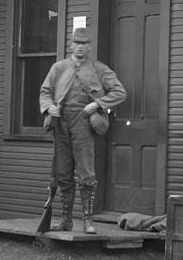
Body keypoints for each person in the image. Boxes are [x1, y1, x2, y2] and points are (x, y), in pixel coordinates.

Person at [39, 28, 126, 234]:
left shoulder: (99, 69)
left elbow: (120, 92)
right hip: (61, 122)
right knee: (63, 172)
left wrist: (97, 105)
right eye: (77, 43)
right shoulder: (58, 68)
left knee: (86, 172)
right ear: (71, 45)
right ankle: (66, 220)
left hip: (84, 122)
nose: (80, 47)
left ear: (89, 47)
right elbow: (45, 91)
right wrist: (48, 106)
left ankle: (87, 221)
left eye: (84, 44)